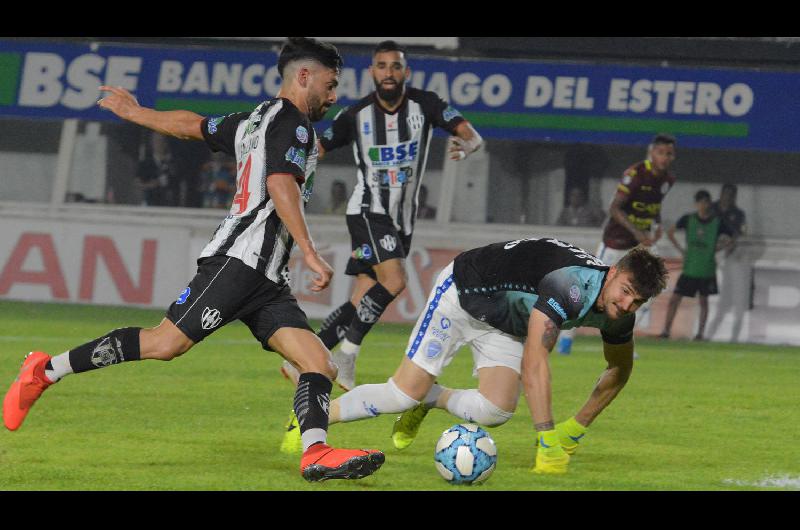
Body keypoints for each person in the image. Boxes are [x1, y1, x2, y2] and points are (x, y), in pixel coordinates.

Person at [2, 37, 384, 483]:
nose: (334, 96)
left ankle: (316, 453)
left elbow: (194, 126)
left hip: (266, 278)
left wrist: (135, 112)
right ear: (304, 76)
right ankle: (45, 370)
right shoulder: (293, 124)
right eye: (331, 84)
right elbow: (281, 184)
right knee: (165, 344)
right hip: (238, 262)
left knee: (319, 363)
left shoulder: (253, 120)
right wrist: (313, 253)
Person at [281, 237, 668, 475]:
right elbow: (536, 361)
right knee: (402, 393)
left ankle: (431, 399)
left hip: (504, 321)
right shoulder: (572, 285)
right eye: (626, 290)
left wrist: (575, 429)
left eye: (638, 300)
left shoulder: (620, 311)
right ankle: (310, 417)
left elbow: (620, 368)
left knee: (496, 411)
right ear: (613, 271)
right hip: (463, 294)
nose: (627, 304)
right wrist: (546, 437)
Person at [296, 40, 483, 391]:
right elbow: (316, 149)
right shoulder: (355, 115)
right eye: (382, 66)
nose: (388, 73)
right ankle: (348, 354)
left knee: (361, 297)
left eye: (395, 66)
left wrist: (469, 145)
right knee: (396, 281)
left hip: (402, 221)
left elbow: (471, 136)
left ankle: (304, 361)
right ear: (372, 72)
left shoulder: (425, 105)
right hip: (368, 210)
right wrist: (292, 176)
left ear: (405, 72)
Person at [557, 133, 676, 355]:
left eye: (669, 153)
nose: (665, 157)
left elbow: (654, 204)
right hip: (615, 241)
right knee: (592, 289)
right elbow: (615, 208)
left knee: (648, 290)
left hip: (640, 243)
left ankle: (624, 341)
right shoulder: (636, 174)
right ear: (652, 152)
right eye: (661, 152)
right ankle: (565, 337)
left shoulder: (668, 179)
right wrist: (637, 231)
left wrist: (656, 224)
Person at [659, 189, 734, 340]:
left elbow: (732, 238)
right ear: (696, 204)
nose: (703, 205)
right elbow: (670, 232)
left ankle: (700, 334)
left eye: (705, 202)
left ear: (709, 204)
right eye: (700, 202)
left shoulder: (717, 222)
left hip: (707, 268)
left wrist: (718, 249)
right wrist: (681, 250)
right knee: (675, 298)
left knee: (703, 301)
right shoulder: (688, 219)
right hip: (690, 268)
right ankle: (666, 330)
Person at [706, 184, 749, 342]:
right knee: (711, 298)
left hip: (731, 258)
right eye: (726, 194)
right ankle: (706, 334)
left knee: (734, 299)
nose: (728, 197)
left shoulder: (738, 214)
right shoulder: (711, 209)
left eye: (732, 195)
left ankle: (735, 337)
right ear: (721, 194)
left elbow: (742, 234)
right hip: (710, 255)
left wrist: (731, 243)